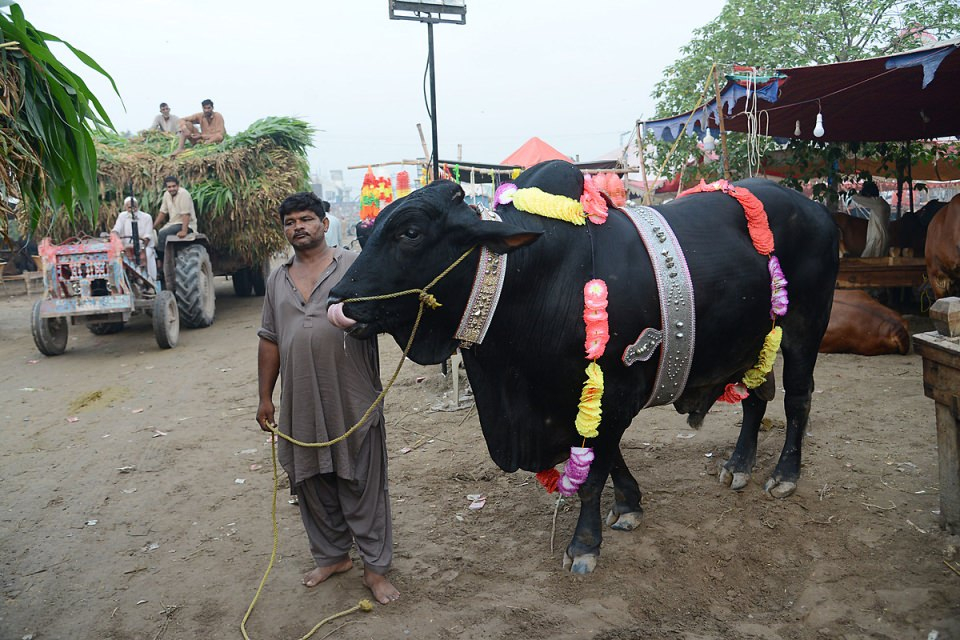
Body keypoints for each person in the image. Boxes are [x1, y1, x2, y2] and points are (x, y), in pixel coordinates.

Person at [256, 191, 399, 605]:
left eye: (306, 219)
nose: (298, 227)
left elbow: (386, 314)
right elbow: (269, 339)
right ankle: (334, 556)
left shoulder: (355, 265)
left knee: (362, 482)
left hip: (352, 396)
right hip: (299, 399)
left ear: (324, 221)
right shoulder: (277, 279)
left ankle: (375, 569)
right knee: (311, 481)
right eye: (289, 222)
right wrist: (265, 397)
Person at [112, 196, 157, 280]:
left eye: (134, 207)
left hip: (143, 245)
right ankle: (122, 280)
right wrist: (115, 235)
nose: (132, 209)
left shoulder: (147, 217)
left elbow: (148, 236)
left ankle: (151, 280)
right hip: (126, 247)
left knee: (147, 254)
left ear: (137, 206)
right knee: (116, 256)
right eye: (129, 207)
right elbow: (116, 229)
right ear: (126, 207)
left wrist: (142, 248)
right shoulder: (122, 216)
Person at [154, 175, 197, 261]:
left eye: (174, 186)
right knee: (155, 235)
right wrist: (153, 226)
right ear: (166, 188)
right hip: (172, 223)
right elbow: (163, 212)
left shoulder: (184, 194)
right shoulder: (166, 195)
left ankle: (162, 261)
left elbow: (186, 214)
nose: (172, 189)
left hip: (185, 225)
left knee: (163, 233)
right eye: (169, 187)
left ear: (178, 185)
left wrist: (184, 231)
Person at [852, 180, 891, 258]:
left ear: (868, 194)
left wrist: (862, 193)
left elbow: (855, 197)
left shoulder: (877, 203)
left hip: (877, 239)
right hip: (883, 237)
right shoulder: (883, 203)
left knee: (867, 262)